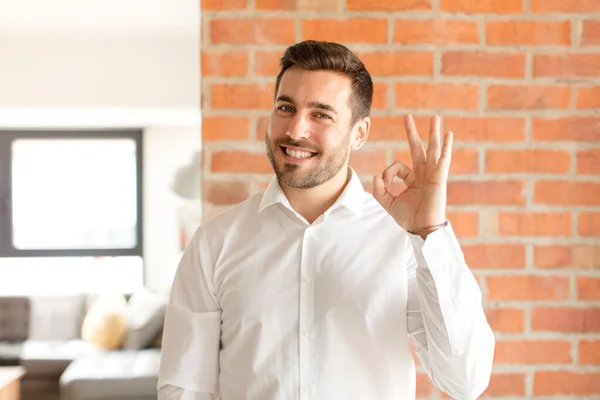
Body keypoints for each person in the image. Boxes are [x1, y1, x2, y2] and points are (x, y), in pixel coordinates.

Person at [158, 40, 495, 400]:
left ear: (359, 133)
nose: (296, 129)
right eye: (286, 107)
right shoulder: (215, 242)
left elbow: (465, 381)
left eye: (321, 114)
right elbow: (185, 388)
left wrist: (428, 233)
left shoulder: (403, 239)